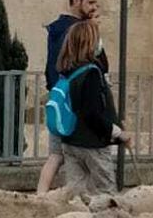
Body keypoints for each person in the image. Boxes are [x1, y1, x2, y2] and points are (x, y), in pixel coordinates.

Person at [37, 0, 105, 197]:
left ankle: (41, 196)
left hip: (59, 95)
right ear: (76, 0)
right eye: (90, 2)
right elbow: (99, 63)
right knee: (77, 155)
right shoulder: (77, 30)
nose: (94, 7)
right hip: (74, 99)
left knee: (56, 155)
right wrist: (95, 32)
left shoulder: (58, 28)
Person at [54, 17, 130, 194]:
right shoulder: (91, 73)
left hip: (71, 141)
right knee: (106, 193)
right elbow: (92, 113)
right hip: (92, 142)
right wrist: (117, 132)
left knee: (76, 194)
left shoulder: (67, 71)